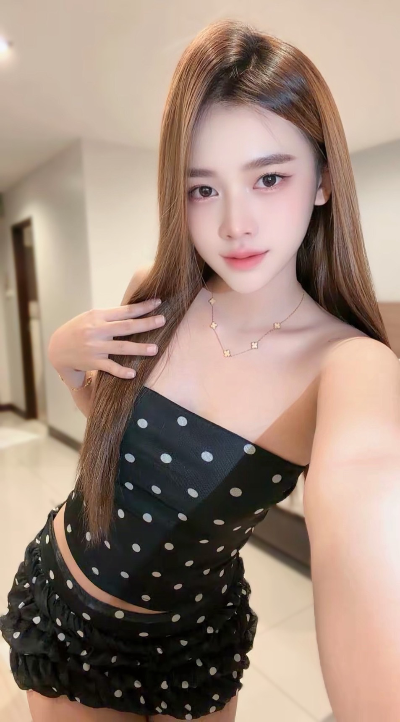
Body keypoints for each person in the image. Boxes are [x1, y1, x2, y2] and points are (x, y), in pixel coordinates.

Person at [1, 16, 399, 722]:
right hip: (73, 612)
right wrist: (65, 362)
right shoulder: (157, 295)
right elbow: (128, 437)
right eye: (202, 189)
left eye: (269, 177)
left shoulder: (350, 367)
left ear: (322, 180)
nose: (234, 225)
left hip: (194, 640)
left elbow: (368, 515)